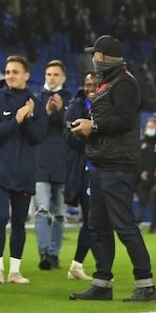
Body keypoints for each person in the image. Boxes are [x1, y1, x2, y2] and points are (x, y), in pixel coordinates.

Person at [69, 35, 156, 302]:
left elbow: (125, 120)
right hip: (103, 162)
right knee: (98, 225)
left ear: (103, 58)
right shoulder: (112, 83)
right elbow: (113, 120)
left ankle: (146, 283)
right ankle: (102, 282)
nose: (92, 60)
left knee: (124, 225)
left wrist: (93, 126)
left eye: (95, 55)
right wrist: (85, 127)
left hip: (118, 165)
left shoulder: (125, 84)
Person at [0, 55, 47, 285]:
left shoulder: (36, 104)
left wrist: (27, 119)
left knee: (19, 221)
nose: (10, 75)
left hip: (24, 172)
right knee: (1, 217)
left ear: (26, 75)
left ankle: (15, 271)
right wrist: (17, 120)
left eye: (15, 71)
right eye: (8, 71)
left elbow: (39, 136)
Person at [61, 72, 98, 282]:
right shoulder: (76, 107)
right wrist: (87, 132)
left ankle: (78, 265)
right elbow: (68, 137)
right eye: (87, 84)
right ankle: (84, 265)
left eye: (94, 83)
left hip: (102, 168)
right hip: (84, 170)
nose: (90, 87)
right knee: (92, 218)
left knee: (96, 220)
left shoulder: (107, 105)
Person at [34, 60, 70, 271]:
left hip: (62, 163)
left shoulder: (71, 100)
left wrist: (61, 112)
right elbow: (33, 129)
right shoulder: (37, 100)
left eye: (56, 75)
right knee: (42, 210)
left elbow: (72, 126)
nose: (52, 78)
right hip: (40, 163)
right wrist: (46, 113)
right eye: (48, 74)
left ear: (63, 78)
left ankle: (55, 254)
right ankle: (44, 254)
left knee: (59, 213)